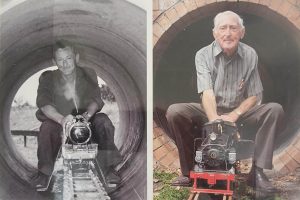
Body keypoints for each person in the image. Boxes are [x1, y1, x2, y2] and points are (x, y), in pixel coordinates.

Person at [165, 11, 285, 193]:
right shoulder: (203, 55)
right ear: (215, 33)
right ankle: (190, 171)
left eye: (233, 28)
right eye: (223, 28)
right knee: (175, 111)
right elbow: (207, 92)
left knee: (274, 110)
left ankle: (257, 172)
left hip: (239, 111)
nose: (228, 33)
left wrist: (234, 115)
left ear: (242, 32)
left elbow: (254, 95)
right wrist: (215, 120)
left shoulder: (250, 54)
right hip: (210, 110)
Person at [33, 40, 122, 190]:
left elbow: (96, 98)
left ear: (76, 57)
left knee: (103, 121)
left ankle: (108, 169)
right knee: (46, 128)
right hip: (60, 120)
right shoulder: (47, 78)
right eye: (60, 60)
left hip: (86, 119)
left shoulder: (89, 73)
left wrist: (87, 116)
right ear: (55, 61)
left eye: (68, 58)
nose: (65, 64)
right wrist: (61, 120)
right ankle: (44, 173)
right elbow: (44, 103)